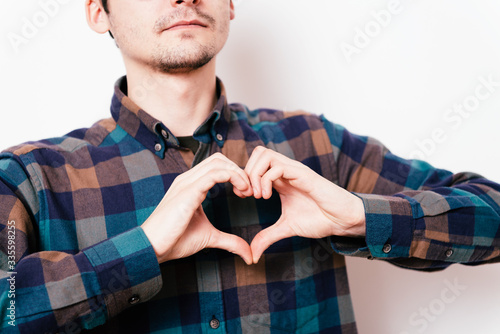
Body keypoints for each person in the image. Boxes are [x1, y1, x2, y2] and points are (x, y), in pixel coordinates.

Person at [1, 0, 499, 333]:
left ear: (231, 4)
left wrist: (359, 217)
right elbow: (7, 304)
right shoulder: (29, 177)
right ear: (97, 12)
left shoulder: (314, 144)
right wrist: (142, 249)